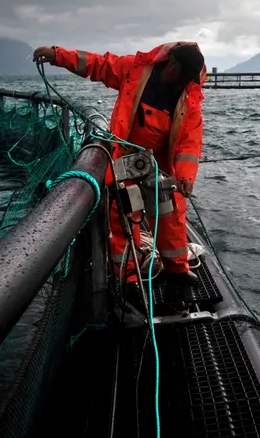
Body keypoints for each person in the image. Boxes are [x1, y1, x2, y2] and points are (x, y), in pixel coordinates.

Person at [32, 41, 206, 287]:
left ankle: (177, 271)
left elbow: (190, 143)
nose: (183, 82)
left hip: (160, 166)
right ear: (171, 63)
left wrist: (186, 177)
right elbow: (97, 64)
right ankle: (128, 277)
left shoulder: (189, 98)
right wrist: (58, 55)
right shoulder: (134, 69)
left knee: (170, 212)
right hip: (124, 157)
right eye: (181, 76)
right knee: (123, 213)